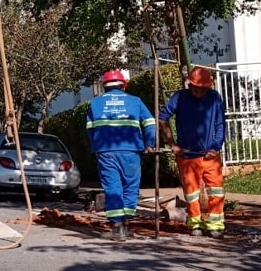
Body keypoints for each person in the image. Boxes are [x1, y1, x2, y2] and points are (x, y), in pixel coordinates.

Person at [86, 69, 156, 241]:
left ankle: (117, 228)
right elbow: (150, 123)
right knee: (131, 187)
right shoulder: (135, 101)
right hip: (131, 151)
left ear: (104, 86)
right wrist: (149, 143)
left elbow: (90, 130)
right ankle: (126, 225)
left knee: (113, 187)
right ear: (124, 85)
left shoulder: (95, 103)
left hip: (106, 151)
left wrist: (97, 146)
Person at [158, 66, 226, 238]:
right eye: (195, 89)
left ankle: (215, 225)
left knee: (216, 191)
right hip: (187, 156)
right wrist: (173, 144)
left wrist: (215, 147)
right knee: (191, 193)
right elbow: (163, 118)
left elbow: (220, 124)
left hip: (210, 155)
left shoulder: (214, 98)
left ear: (208, 87)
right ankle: (196, 224)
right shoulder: (180, 97)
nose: (198, 93)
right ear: (189, 85)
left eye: (202, 90)